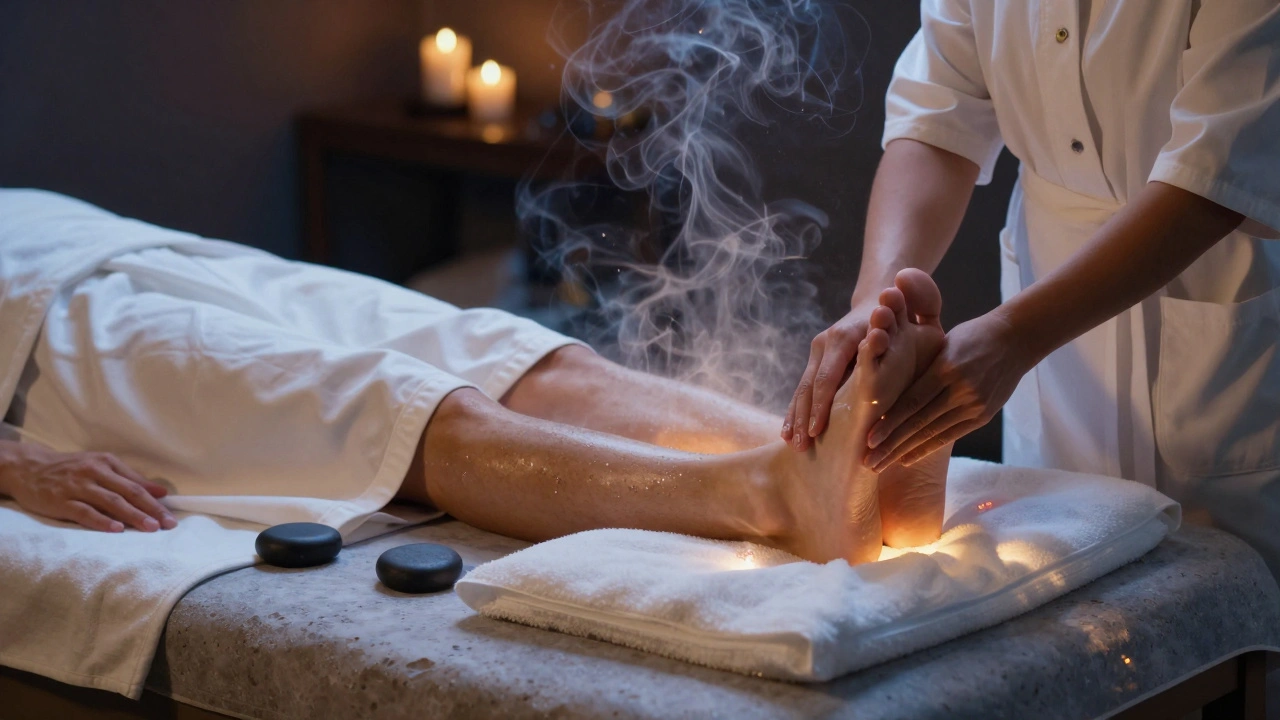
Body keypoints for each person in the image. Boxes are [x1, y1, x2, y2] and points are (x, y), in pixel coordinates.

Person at [0, 189, 949, 565]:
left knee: (495, 349)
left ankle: (835, 445)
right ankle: (772, 496)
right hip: (41, 347)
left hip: (77, 241)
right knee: (371, 398)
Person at [782, 1, 1280, 572]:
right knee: (1055, 568)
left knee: (1227, 595)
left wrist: (1016, 336)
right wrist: (875, 300)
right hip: (1050, 280)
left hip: (1208, 284)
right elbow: (940, 115)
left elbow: (1216, 169)